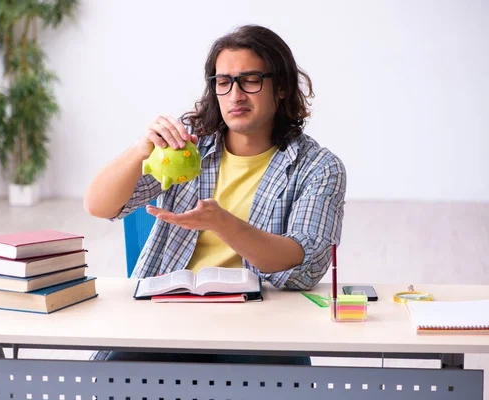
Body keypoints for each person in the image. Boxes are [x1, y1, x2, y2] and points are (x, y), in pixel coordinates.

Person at [84, 24, 346, 364]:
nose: (235, 95)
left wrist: (223, 223)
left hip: (261, 324)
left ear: (280, 88)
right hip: (166, 319)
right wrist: (140, 149)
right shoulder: (188, 145)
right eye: (224, 83)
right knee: (112, 371)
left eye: (250, 80)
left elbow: (305, 263)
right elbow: (98, 205)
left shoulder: (319, 167)